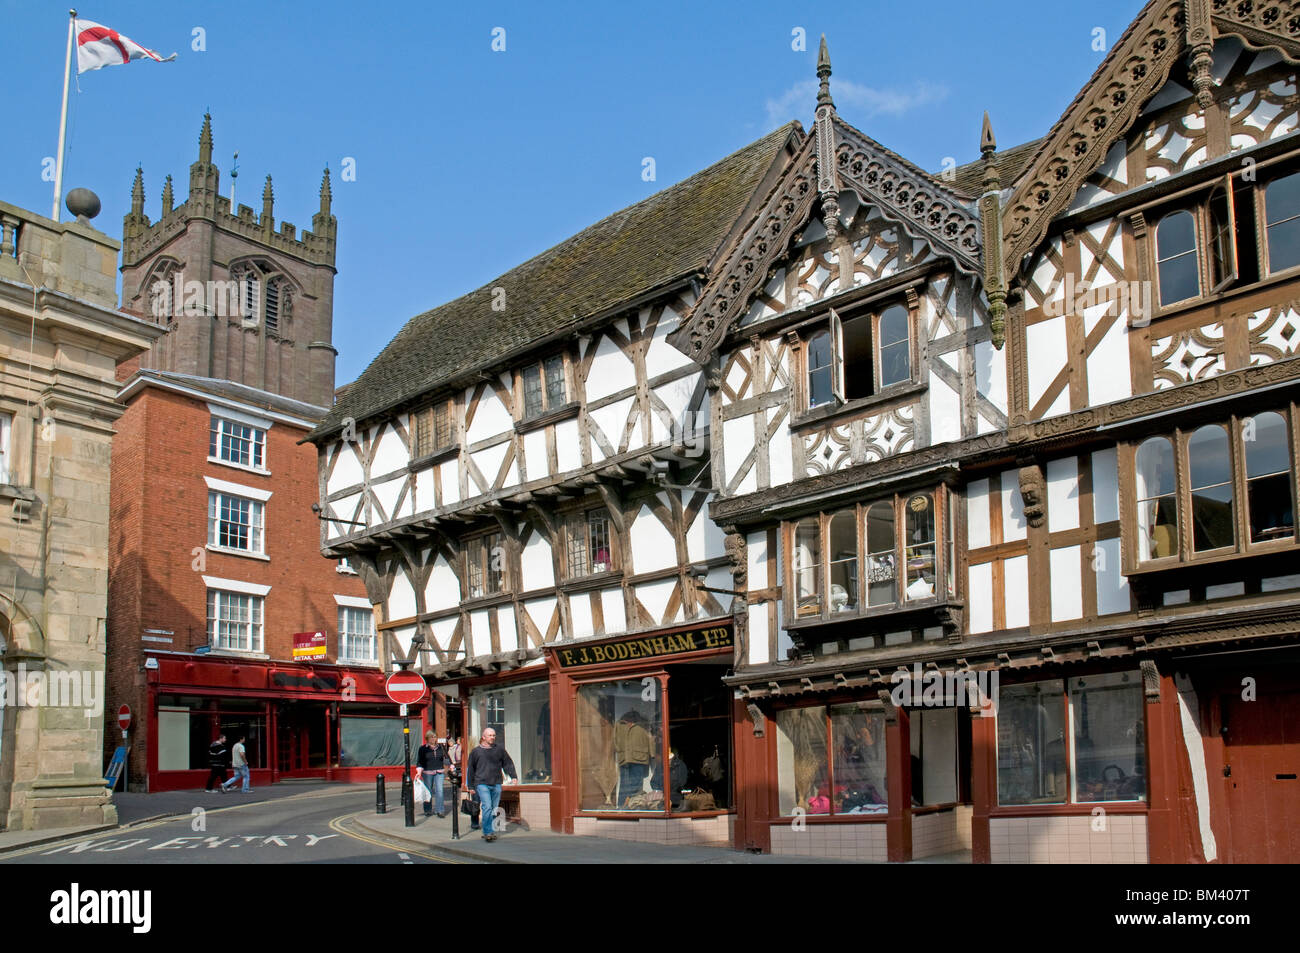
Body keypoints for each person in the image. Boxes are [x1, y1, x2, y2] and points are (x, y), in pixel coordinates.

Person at [464, 727, 517, 842]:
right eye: (490, 735)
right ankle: (487, 831)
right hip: (481, 783)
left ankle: (491, 830)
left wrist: (513, 776)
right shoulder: (476, 752)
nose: (492, 737)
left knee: (493, 809)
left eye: (494, 735)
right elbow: (471, 770)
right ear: (483, 737)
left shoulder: (499, 750)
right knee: (487, 806)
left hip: (496, 783)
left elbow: (507, 763)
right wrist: (471, 786)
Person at [416, 731, 450, 818]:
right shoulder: (423, 749)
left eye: (434, 737)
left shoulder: (441, 747)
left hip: (439, 772)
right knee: (428, 791)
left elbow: (446, 758)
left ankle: (440, 810)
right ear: (427, 738)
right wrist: (419, 772)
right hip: (427, 772)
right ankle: (427, 809)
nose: (433, 739)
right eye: (431, 737)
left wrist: (451, 765)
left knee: (440, 791)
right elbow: (420, 762)